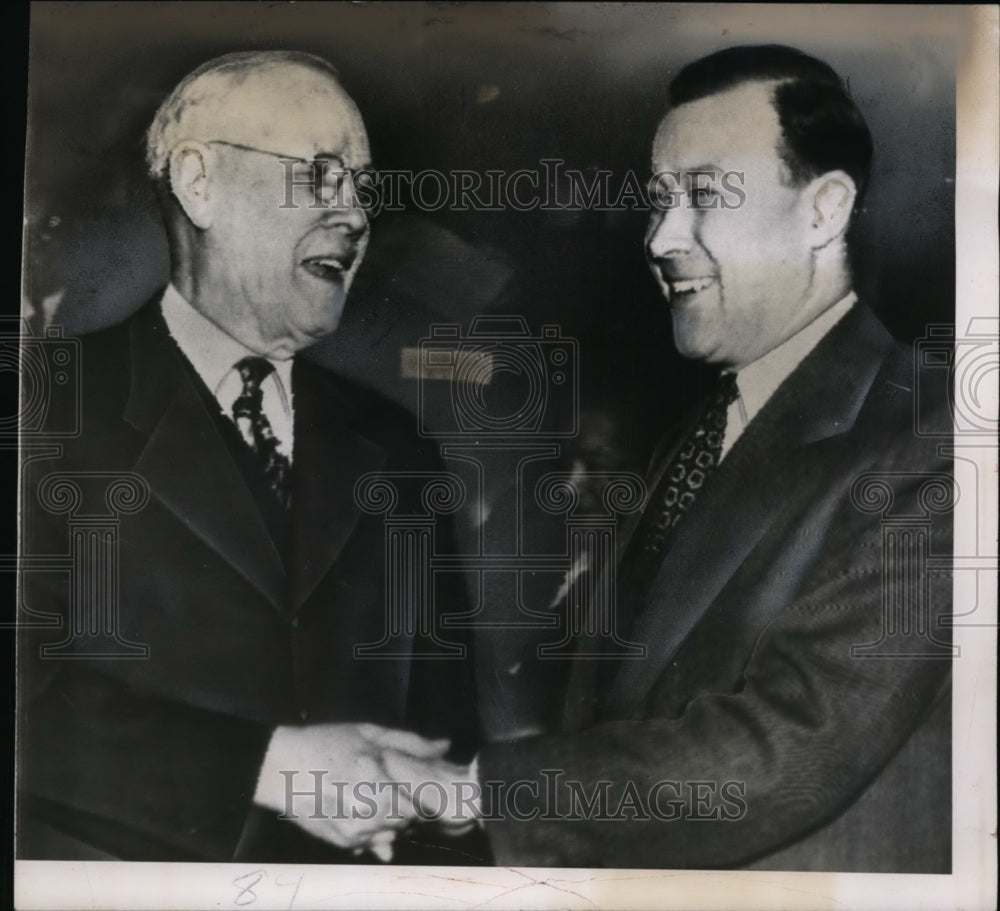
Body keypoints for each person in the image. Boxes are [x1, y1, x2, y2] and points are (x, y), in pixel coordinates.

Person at [396, 44, 954, 872]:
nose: (661, 237)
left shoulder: (934, 435)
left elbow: (784, 751)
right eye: (658, 201)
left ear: (824, 211)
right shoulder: (705, 426)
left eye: (704, 196)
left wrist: (472, 792)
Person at [17, 50, 481, 864]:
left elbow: (445, 749)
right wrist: (266, 766)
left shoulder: (398, 450)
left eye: (363, 189)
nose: (356, 216)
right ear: (199, 184)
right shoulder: (39, 408)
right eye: (325, 176)